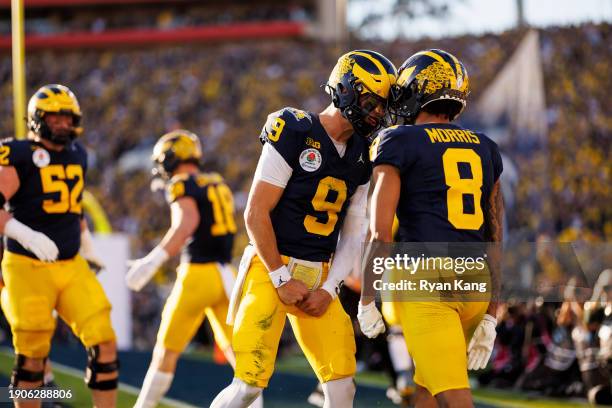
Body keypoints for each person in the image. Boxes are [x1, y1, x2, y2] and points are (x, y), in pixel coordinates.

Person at [210, 50, 397, 408]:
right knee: (248, 385)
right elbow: (255, 212)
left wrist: (329, 288)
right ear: (345, 89)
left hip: (319, 274)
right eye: (371, 101)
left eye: (381, 105)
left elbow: (354, 232)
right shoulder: (295, 129)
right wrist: (281, 277)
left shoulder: (365, 152)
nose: (376, 113)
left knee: (342, 384)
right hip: (270, 269)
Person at [358, 49, 504, 408]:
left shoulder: (396, 140)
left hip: (425, 281)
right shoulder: (485, 147)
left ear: (413, 91)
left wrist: (366, 298)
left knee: (455, 399)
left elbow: (380, 233)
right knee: (426, 389)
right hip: (475, 283)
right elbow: (495, 233)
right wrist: (492, 310)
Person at [0, 84, 118, 408]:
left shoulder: (79, 154)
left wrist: (88, 244)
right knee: (32, 356)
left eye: (68, 118)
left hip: (70, 264)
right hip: (26, 266)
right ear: (37, 118)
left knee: (104, 340)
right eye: (56, 117)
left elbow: (73, 207)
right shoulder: (18, 153)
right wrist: (26, 235)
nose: (64, 124)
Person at [126, 130, 258, 407]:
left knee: (166, 351)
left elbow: (186, 224)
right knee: (242, 357)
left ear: (172, 158)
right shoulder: (216, 181)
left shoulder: (181, 182)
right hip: (227, 275)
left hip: (197, 275)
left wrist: (151, 262)